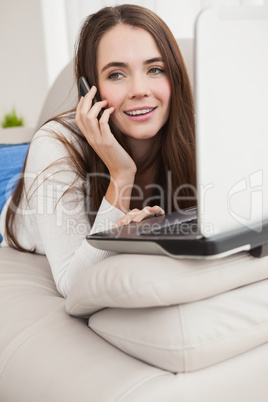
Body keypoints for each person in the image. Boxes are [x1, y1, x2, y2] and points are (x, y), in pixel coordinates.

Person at [0, 4, 196, 297]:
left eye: (155, 69)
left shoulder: (195, 133)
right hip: (15, 180)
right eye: (116, 74)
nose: (139, 89)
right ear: (89, 90)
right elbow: (73, 282)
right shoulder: (54, 144)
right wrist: (121, 174)